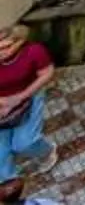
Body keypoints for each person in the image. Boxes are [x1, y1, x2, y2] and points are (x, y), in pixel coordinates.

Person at [0, 21, 54, 189]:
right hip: (2, 103)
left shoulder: (34, 51)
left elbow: (47, 73)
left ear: (20, 41)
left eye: (6, 47)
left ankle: (47, 152)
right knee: (0, 152)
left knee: (24, 143)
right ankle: (10, 185)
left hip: (29, 96)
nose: (0, 53)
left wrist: (19, 98)